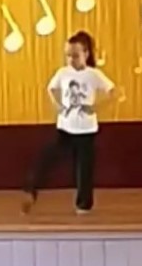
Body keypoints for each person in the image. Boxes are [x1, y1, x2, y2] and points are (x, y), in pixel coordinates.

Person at [22, 31, 119, 215]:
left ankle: (83, 205)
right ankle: (30, 190)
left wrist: (95, 107)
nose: (71, 60)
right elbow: (51, 89)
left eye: (75, 55)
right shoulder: (63, 73)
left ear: (86, 54)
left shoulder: (93, 75)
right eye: (68, 55)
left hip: (86, 131)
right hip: (65, 129)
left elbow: (114, 93)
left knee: (84, 169)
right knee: (46, 158)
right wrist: (58, 105)